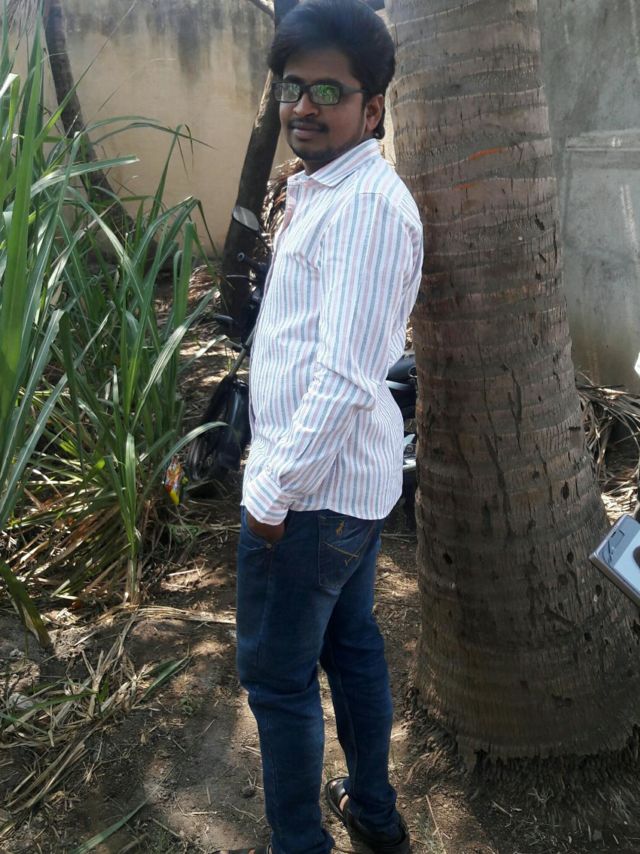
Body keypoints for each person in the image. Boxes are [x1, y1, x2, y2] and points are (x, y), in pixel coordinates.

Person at [216, 1, 423, 851]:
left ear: (371, 108)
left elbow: (342, 379)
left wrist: (272, 493)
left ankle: (299, 841)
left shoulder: (366, 207)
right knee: (352, 646)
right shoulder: (328, 190)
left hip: (310, 500)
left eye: (327, 90)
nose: (302, 106)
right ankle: (372, 811)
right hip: (347, 488)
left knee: (278, 682)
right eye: (291, 87)